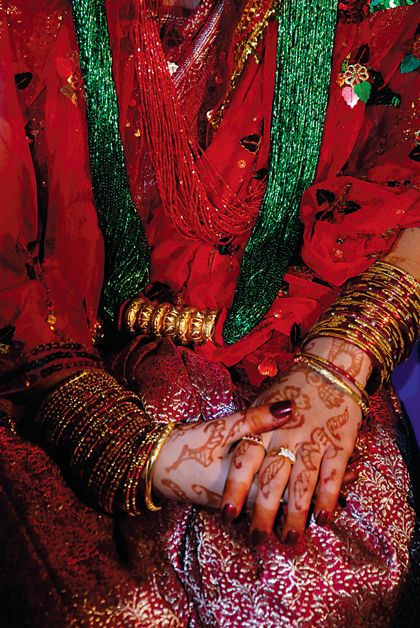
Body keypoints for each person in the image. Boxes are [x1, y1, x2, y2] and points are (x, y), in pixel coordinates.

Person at [0, 0, 419, 625]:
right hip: (52, 365)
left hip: (298, 340)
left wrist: (338, 363)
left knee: (335, 573)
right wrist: (134, 452)